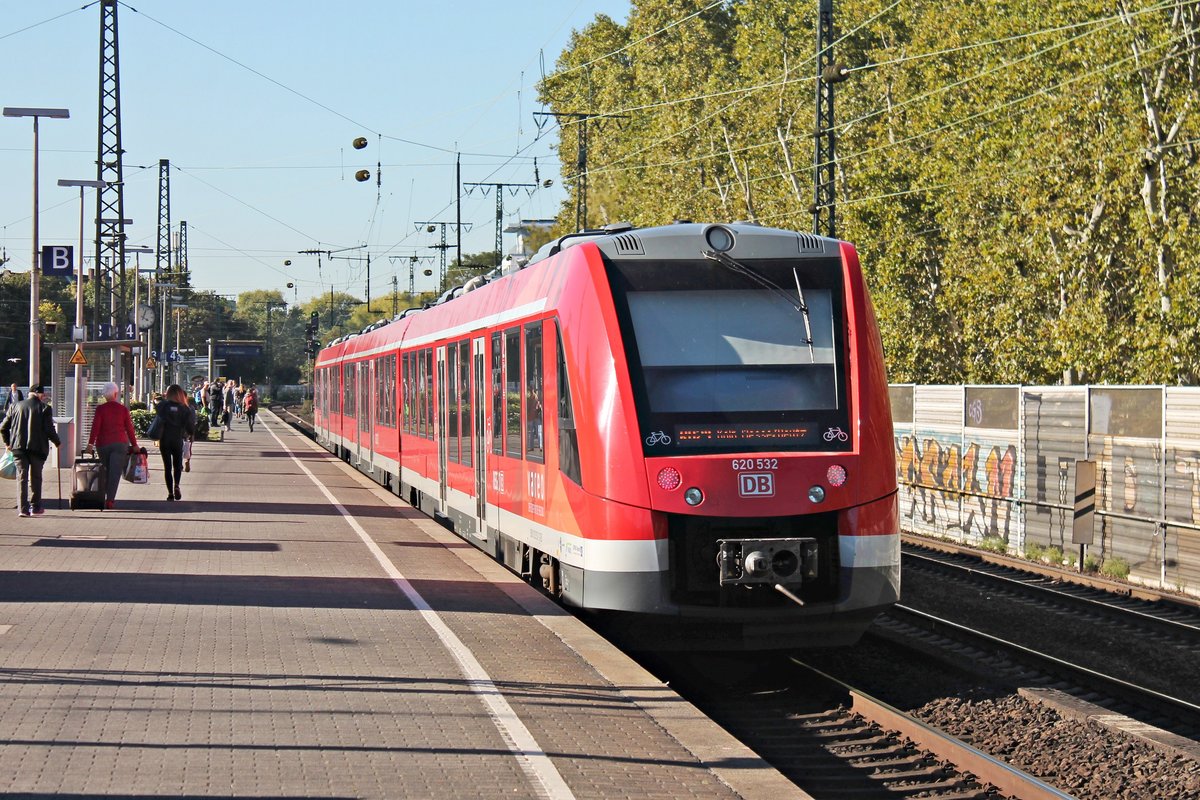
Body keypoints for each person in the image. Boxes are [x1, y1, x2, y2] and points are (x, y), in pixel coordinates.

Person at [0, 385, 61, 517]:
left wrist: (8, 443)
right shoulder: (45, 408)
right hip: (37, 448)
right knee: (36, 477)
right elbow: (49, 429)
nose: (44, 397)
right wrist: (57, 442)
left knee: (22, 477)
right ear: (39, 394)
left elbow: (3, 427)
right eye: (43, 395)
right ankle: (36, 507)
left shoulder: (15, 406)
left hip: (18, 448)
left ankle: (23, 509)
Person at [84, 382, 140, 510]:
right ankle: (110, 500)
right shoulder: (122, 409)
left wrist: (90, 444)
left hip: (103, 445)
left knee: (105, 470)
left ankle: (101, 495)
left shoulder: (100, 409)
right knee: (115, 473)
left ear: (104, 395)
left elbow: (95, 427)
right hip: (120, 444)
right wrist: (135, 445)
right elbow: (129, 429)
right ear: (115, 394)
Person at [154, 384, 196, 501]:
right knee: (177, 465)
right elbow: (190, 427)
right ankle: (177, 485)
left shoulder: (163, 406)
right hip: (177, 438)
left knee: (167, 467)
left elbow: (157, 412)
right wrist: (190, 434)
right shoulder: (184, 408)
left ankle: (170, 493)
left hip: (164, 439)